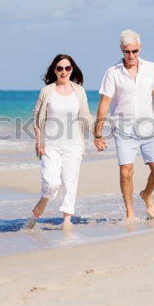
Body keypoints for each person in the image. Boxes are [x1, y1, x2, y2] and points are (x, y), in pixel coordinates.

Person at [93, 30, 154, 221]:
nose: (131, 56)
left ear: (140, 49)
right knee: (126, 172)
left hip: (150, 127)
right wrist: (97, 133)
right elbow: (105, 102)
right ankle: (130, 213)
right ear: (121, 50)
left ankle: (147, 194)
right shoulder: (112, 73)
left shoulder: (151, 68)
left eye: (134, 51)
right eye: (127, 52)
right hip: (123, 128)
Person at [29, 54, 94, 228]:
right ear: (54, 70)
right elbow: (36, 117)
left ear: (72, 69)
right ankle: (44, 198)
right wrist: (39, 140)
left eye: (67, 68)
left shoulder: (78, 91)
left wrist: (97, 135)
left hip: (74, 145)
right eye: (59, 68)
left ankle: (66, 220)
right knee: (51, 181)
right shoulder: (47, 91)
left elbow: (86, 115)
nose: (63, 71)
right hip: (50, 144)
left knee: (69, 182)